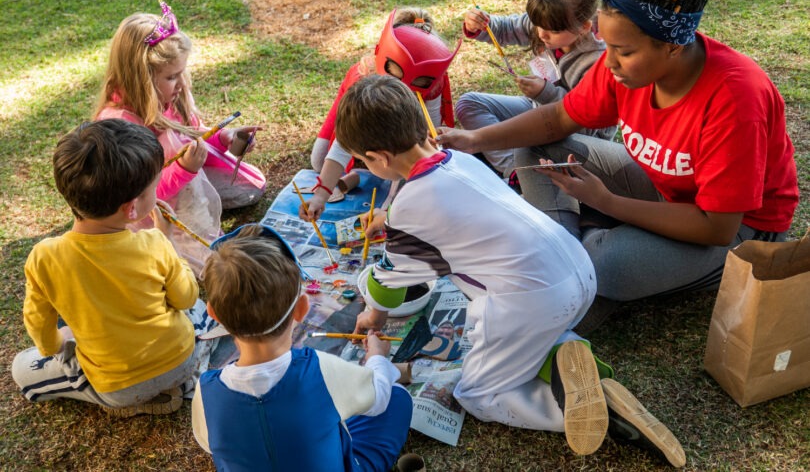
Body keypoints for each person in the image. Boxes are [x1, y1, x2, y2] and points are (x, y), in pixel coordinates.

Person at [437, 0, 799, 332]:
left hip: (737, 231)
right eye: (606, 46)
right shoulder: (624, 69)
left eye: (623, 52)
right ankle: (566, 255)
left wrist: (607, 203)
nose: (607, 63)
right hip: (666, 189)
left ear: (673, 47)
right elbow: (556, 120)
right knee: (536, 152)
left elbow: (717, 226)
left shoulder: (734, 98)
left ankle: (579, 258)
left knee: (606, 266)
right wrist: (473, 139)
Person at [336, 74, 685, 466]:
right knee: (509, 330)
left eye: (365, 160)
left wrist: (372, 314)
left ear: (379, 158)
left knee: (477, 394)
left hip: (533, 299)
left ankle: (582, 407)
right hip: (579, 272)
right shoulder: (461, 159)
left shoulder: (408, 207)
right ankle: (563, 355)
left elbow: (389, 285)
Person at [11, 119, 205, 417]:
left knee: (21, 368)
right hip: (181, 361)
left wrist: (59, 342)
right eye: (154, 186)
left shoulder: (44, 257)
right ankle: (169, 389)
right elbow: (186, 299)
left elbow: (40, 327)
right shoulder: (154, 243)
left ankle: (131, 399)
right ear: (132, 209)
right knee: (196, 309)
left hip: (116, 386)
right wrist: (169, 245)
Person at [191, 224, 412, 471]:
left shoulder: (206, 389)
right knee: (397, 398)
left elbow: (210, 443)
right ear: (302, 308)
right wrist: (377, 358)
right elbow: (380, 398)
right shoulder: (320, 369)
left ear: (213, 314)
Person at [94, 0, 266, 273]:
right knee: (202, 261)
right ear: (143, 80)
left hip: (181, 181)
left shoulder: (166, 98)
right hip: (147, 210)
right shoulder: (120, 126)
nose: (182, 83)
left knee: (250, 189)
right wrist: (185, 171)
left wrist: (224, 138)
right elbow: (140, 199)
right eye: (173, 77)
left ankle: (197, 197)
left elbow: (191, 134)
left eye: (182, 73)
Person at [456, 0, 616, 178]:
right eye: (538, 25)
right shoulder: (548, 22)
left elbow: (587, 125)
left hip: (580, 142)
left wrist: (546, 93)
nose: (541, 34)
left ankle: (523, 167)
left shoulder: (599, 61)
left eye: (552, 30)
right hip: (537, 111)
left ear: (584, 27)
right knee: (469, 104)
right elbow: (506, 28)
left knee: (528, 141)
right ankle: (515, 171)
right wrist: (483, 24)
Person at [300, 7, 460, 223]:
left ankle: (372, 168)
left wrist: (393, 207)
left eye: (412, 88)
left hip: (396, 136)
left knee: (404, 161)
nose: (400, 93)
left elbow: (424, 141)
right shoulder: (363, 86)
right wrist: (321, 195)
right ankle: (366, 162)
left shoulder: (431, 86)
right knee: (319, 160)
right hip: (359, 122)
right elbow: (342, 144)